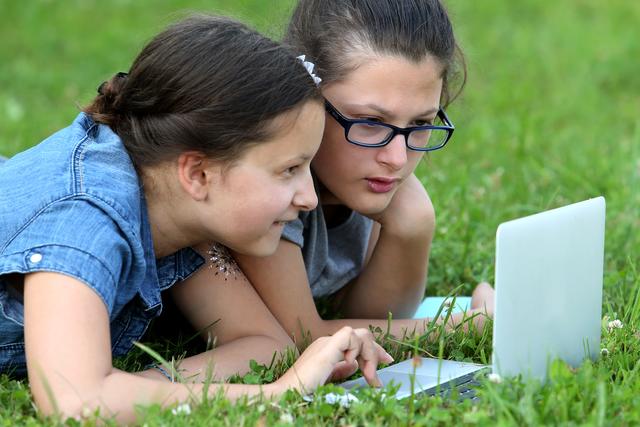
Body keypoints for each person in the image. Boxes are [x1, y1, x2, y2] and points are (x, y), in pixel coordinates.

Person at [0, 15, 391, 423]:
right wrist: (278, 393)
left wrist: (133, 386)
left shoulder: (171, 201)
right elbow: (74, 403)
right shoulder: (83, 221)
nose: (310, 198)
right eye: (289, 170)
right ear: (198, 174)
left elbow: (264, 344)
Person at [199, 0, 495, 351]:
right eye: (370, 122)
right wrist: (459, 328)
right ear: (304, 99)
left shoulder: (361, 174)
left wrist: (412, 228)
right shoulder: (268, 191)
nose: (397, 158)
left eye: (420, 124)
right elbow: (302, 337)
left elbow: (370, 314)